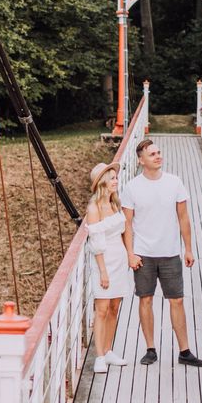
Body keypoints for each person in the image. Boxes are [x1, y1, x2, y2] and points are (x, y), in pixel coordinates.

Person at [120, 137, 202, 367]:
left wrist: (188, 248)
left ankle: (185, 351)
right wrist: (130, 253)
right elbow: (127, 224)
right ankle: (150, 349)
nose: (158, 156)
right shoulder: (131, 187)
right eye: (152, 154)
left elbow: (183, 218)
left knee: (177, 300)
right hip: (143, 253)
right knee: (145, 299)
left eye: (159, 152)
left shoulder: (175, 182)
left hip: (170, 252)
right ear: (141, 160)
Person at [82, 160, 129, 373]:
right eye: (111, 178)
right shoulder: (94, 208)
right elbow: (97, 242)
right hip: (104, 260)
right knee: (101, 309)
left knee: (114, 307)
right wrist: (102, 270)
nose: (115, 181)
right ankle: (99, 355)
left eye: (116, 177)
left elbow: (123, 231)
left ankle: (109, 350)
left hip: (118, 258)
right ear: (102, 182)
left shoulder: (115, 204)